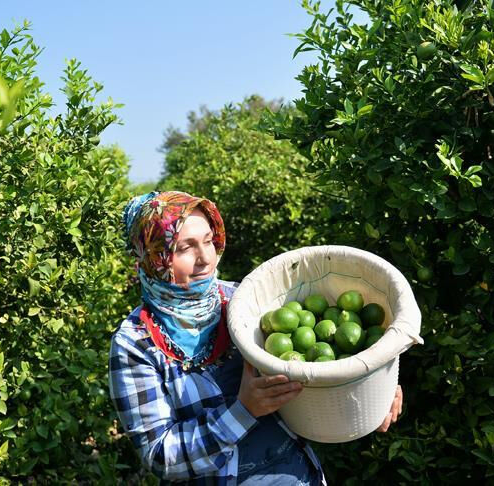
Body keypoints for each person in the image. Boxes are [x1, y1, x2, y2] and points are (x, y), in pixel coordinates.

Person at [109, 191, 403, 485]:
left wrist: (371, 391)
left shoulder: (240, 301)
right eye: (185, 248)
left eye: (209, 241)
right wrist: (243, 411)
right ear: (154, 256)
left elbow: (312, 375)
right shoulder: (135, 343)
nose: (205, 258)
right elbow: (161, 456)